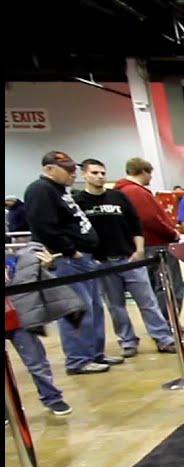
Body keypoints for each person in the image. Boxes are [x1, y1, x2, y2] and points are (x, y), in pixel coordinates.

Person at [22, 150, 120, 374]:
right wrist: (71, 250)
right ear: (49, 169)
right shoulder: (40, 190)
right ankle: (78, 360)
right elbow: (44, 227)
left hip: (83, 258)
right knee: (77, 310)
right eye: (66, 169)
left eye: (73, 169)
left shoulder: (60, 191)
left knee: (94, 309)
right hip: (67, 260)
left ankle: (95, 354)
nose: (72, 173)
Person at [75, 159, 176, 357]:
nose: (100, 177)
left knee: (147, 301)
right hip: (102, 262)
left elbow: (135, 224)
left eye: (102, 173)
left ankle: (163, 338)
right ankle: (127, 340)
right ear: (84, 175)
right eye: (94, 173)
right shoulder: (79, 202)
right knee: (115, 305)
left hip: (128, 257)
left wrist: (138, 250)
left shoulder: (118, 196)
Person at [114, 157, 184, 328]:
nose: (151, 178)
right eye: (150, 173)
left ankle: (164, 324)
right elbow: (149, 219)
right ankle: (168, 324)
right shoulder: (137, 192)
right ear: (144, 171)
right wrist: (173, 234)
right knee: (168, 287)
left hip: (143, 245)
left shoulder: (122, 191)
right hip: (157, 244)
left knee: (155, 289)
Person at [6, 244, 78, 415]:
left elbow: (33, 271)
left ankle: (52, 397)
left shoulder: (13, 260)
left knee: (37, 363)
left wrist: (44, 265)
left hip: (19, 320)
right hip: (18, 318)